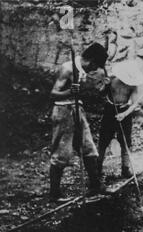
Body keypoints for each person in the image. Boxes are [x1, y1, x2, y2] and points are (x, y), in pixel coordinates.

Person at [49, 43, 109, 202]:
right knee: (62, 153)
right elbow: (53, 94)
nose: (94, 71)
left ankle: (95, 186)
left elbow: (91, 93)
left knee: (89, 148)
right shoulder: (68, 68)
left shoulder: (82, 70)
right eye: (95, 67)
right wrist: (69, 92)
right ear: (91, 62)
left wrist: (103, 86)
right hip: (63, 112)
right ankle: (55, 194)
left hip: (78, 109)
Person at [96, 60, 143, 178]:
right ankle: (97, 169)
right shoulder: (112, 79)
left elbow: (134, 104)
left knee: (125, 142)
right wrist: (105, 85)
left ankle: (125, 169)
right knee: (103, 141)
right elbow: (100, 93)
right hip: (109, 110)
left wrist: (125, 114)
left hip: (124, 112)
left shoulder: (133, 85)